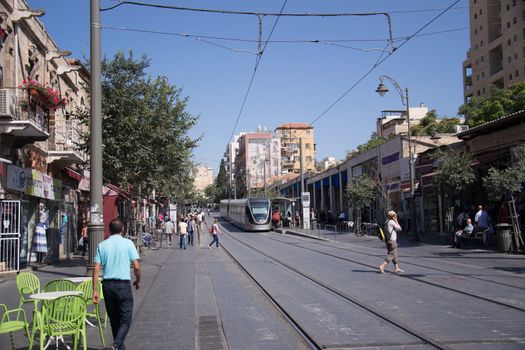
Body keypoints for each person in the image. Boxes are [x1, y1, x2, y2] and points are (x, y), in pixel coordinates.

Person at [93, 218, 141, 350]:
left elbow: (96, 268)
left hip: (107, 286)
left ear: (109, 230)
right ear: (122, 229)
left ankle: (119, 347)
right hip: (122, 285)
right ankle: (115, 346)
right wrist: (138, 280)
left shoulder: (102, 245)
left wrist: (95, 290)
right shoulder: (128, 243)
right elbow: (136, 266)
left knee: (114, 319)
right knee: (126, 319)